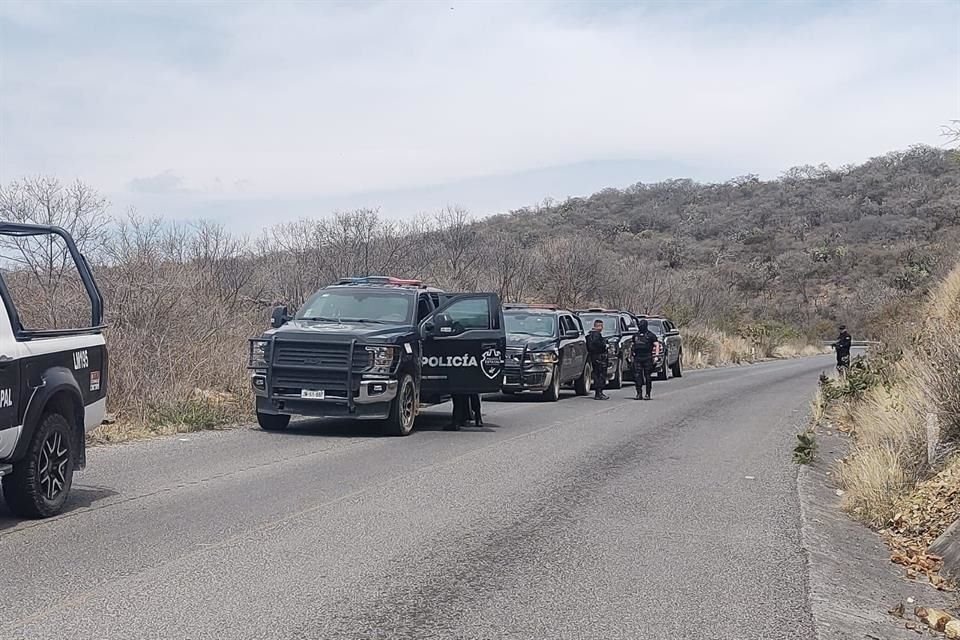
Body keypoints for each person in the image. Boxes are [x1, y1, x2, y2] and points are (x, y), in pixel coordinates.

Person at [631, 319, 660, 400]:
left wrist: (656, 356)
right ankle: (639, 393)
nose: (640, 326)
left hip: (647, 357)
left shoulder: (651, 335)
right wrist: (631, 356)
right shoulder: (635, 335)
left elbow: (657, 344)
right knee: (637, 376)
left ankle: (647, 394)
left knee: (648, 376)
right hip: (637, 357)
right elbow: (632, 345)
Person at [586, 319, 610, 400]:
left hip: (594, 357)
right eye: (601, 326)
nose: (602, 328)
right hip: (599, 357)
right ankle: (599, 393)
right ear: (598, 326)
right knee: (601, 375)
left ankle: (598, 392)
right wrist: (604, 345)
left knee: (597, 375)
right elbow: (597, 344)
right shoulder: (596, 335)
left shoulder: (590, 335)